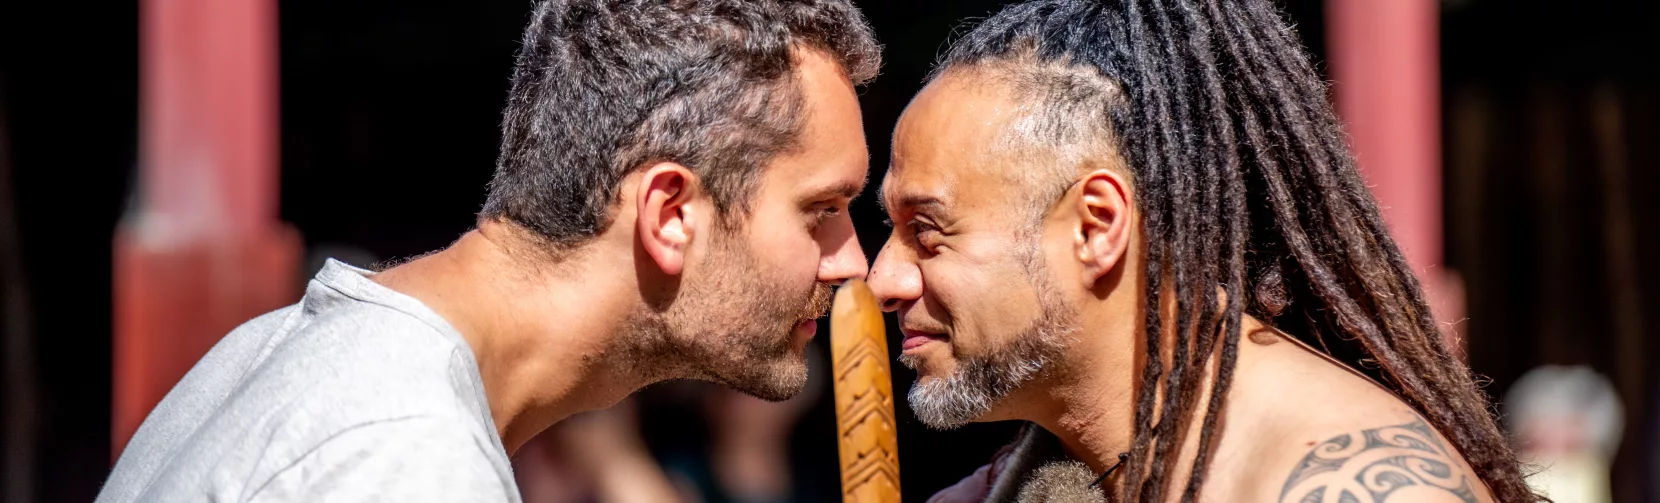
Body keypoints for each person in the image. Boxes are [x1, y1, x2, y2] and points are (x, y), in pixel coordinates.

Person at [94, 0, 880, 501]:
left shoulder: (287, 358)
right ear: (669, 212)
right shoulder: (404, 459)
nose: (854, 263)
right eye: (822, 211)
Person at [864, 1, 1541, 501]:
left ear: (1097, 226)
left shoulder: (1354, 485)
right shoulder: (1020, 486)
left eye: (927, 233)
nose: (882, 278)